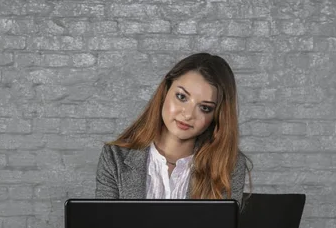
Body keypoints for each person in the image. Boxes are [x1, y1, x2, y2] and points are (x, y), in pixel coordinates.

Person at [95, 52, 251, 207]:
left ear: (217, 116)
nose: (188, 115)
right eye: (182, 97)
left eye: (204, 107)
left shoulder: (228, 165)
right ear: (165, 91)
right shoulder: (114, 157)